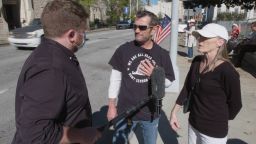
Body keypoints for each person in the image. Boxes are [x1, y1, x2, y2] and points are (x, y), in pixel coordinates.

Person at [12, 0, 101, 143]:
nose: (84, 36)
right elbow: (35, 134)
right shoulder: (50, 68)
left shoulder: (55, 54)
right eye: (83, 32)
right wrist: (82, 135)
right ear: (71, 35)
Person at [107, 10, 175, 144]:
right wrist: (111, 106)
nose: (137, 30)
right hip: (125, 111)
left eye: (142, 27)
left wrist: (155, 75)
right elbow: (115, 80)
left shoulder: (162, 55)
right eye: (135, 26)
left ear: (154, 29)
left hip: (150, 113)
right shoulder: (123, 50)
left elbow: (169, 81)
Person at [169, 23, 242, 144]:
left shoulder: (228, 71)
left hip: (213, 132)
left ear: (220, 42)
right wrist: (174, 112)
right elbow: (187, 88)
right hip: (193, 124)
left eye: (205, 38)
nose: (200, 41)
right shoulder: (197, 61)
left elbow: (236, 104)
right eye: (199, 37)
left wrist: (219, 121)